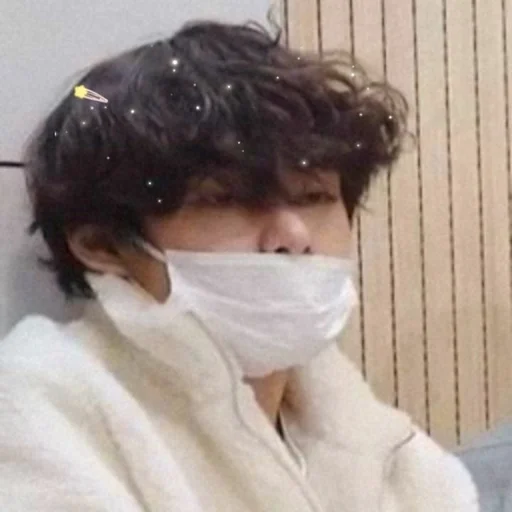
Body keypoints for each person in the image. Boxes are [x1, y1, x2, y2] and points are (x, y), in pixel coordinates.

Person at [0, 18, 479, 511]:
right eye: (225, 199)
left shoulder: (394, 452)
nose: (293, 236)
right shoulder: (40, 410)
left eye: (314, 197)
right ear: (102, 244)